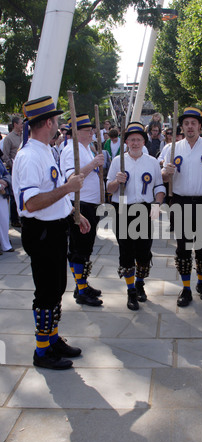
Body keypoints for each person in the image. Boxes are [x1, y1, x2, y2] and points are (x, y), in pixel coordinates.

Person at [12, 95, 90, 370]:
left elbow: (53, 192)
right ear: (47, 122)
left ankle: (52, 338)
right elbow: (31, 203)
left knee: (57, 288)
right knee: (46, 292)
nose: (59, 125)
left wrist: (73, 214)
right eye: (56, 120)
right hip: (41, 232)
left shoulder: (46, 149)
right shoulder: (29, 156)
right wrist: (69, 188)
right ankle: (42, 351)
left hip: (55, 228)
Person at [162, 107, 202, 307]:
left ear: (201, 126)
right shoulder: (172, 148)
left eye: (194, 123)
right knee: (183, 247)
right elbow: (162, 177)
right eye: (186, 123)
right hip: (181, 202)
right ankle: (185, 287)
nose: (190, 127)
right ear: (182, 126)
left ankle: (201, 283)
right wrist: (165, 173)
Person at [107, 122, 165, 311]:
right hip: (123, 208)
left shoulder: (152, 162)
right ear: (126, 142)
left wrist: (157, 203)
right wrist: (117, 181)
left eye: (138, 139)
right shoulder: (118, 161)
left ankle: (140, 283)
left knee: (144, 250)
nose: (135, 143)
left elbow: (159, 186)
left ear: (144, 141)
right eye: (131, 139)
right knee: (126, 251)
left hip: (145, 209)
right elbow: (108, 188)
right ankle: (131, 290)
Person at [60, 114, 105, 307]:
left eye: (91, 130)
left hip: (90, 203)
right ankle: (81, 288)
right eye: (87, 130)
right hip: (81, 204)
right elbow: (72, 178)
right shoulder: (71, 150)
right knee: (80, 249)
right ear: (76, 133)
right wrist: (93, 164)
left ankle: (82, 284)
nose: (91, 132)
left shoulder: (86, 148)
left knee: (85, 248)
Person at [2, 116, 23, 227]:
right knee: (15, 195)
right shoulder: (9, 138)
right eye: (20, 123)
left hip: (23, 169)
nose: (22, 126)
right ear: (15, 124)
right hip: (13, 169)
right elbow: (5, 155)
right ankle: (14, 219)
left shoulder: (24, 136)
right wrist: (12, 164)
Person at [0, 159, 14, 254]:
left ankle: (5, 244)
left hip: (2, 192)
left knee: (4, 220)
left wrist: (4, 181)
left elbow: (6, 173)